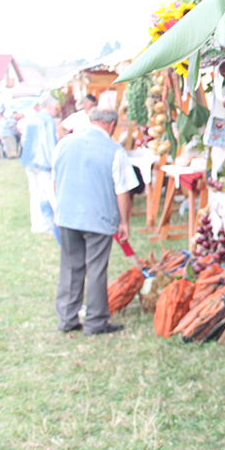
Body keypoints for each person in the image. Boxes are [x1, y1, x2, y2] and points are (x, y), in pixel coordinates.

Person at [52, 108, 138, 335]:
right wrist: (124, 222)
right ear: (111, 126)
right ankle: (95, 321)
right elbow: (122, 191)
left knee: (71, 268)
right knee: (97, 270)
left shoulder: (65, 143)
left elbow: (55, 178)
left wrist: (58, 210)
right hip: (98, 218)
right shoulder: (114, 150)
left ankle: (67, 319)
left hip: (68, 215)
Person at [21, 97, 59, 233]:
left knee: (34, 194)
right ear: (49, 107)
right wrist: (54, 163)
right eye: (55, 109)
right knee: (45, 195)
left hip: (29, 160)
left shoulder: (32, 118)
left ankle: (36, 224)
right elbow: (49, 143)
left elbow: (23, 139)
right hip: (43, 162)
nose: (56, 111)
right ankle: (43, 225)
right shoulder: (48, 120)